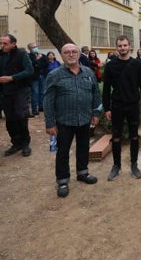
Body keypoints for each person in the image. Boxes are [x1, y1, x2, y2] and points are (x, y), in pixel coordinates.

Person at [44, 43, 102, 198]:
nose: (71, 54)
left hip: (84, 119)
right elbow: (48, 100)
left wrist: (96, 113)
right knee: (63, 151)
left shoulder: (88, 72)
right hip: (64, 121)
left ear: (78, 54)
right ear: (62, 55)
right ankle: (62, 180)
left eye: (74, 52)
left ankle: (82, 173)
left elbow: (96, 94)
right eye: (67, 52)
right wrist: (50, 123)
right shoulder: (55, 75)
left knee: (83, 147)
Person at [102, 35, 141, 181]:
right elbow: (106, 89)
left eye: (125, 45)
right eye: (120, 46)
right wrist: (106, 108)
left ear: (130, 46)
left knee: (134, 136)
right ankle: (116, 166)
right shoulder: (110, 65)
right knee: (116, 137)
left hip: (133, 105)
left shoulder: (137, 64)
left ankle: (134, 165)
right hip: (116, 106)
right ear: (116, 47)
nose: (122, 48)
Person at [0, 34, 34, 157]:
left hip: (20, 89)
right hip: (4, 91)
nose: (2, 46)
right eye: (1, 43)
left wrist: (12, 78)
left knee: (21, 116)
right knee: (10, 119)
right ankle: (16, 143)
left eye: (5, 43)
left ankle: (25, 143)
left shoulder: (21, 54)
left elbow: (29, 71)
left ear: (13, 44)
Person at [27, 43, 44, 117]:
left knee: (42, 92)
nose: (36, 48)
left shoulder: (40, 55)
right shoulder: (28, 56)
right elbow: (31, 65)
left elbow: (44, 63)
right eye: (34, 47)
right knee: (35, 93)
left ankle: (41, 107)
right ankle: (34, 109)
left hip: (41, 75)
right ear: (30, 49)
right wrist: (37, 59)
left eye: (36, 47)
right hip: (33, 77)